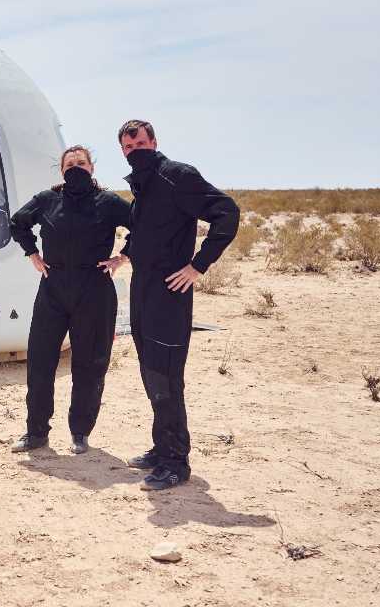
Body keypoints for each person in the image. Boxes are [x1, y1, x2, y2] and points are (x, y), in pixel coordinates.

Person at [118, 119, 239, 490]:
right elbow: (148, 232)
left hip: (170, 293)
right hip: (142, 290)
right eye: (126, 147)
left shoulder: (177, 176)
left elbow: (227, 213)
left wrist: (198, 266)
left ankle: (175, 463)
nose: (133, 150)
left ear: (153, 141)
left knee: (167, 376)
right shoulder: (143, 185)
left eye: (139, 142)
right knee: (151, 372)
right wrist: (124, 255)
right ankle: (161, 447)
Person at [7, 146, 131, 455]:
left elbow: (141, 226)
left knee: (89, 365)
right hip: (54, 287)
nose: (76, 167)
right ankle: (36, 432)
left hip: (95, 289)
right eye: (70, 164)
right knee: (40, 361)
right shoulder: (48, 200)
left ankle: (80, 432)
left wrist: (123, 257)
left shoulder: (109, 201)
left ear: (92, 167)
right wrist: (32, 253)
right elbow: (18, 222)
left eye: (81, 163)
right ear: (62, 171)